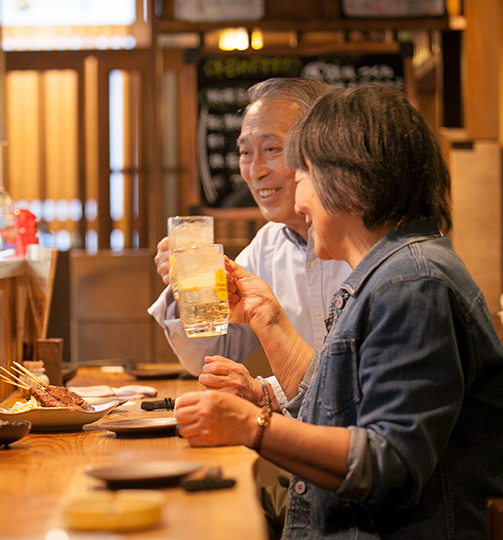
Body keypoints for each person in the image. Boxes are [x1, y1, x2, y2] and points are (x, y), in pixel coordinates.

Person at [174, 83, 503, 539]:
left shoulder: (412, 283)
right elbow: (336, 416)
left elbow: (391, 462)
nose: (298, 195)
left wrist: (255, 426)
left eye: (304, 173)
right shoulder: (385, 272)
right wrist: (266, 323)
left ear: (351, 179)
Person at [148, 78, 350, 415]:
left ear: (322, 148)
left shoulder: (362, 241)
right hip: (306, 447)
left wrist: (261, 392)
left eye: (272, 149)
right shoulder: (268, 244)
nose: (254, 171)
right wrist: (187, 288)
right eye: (245, 153)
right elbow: (209, 357)